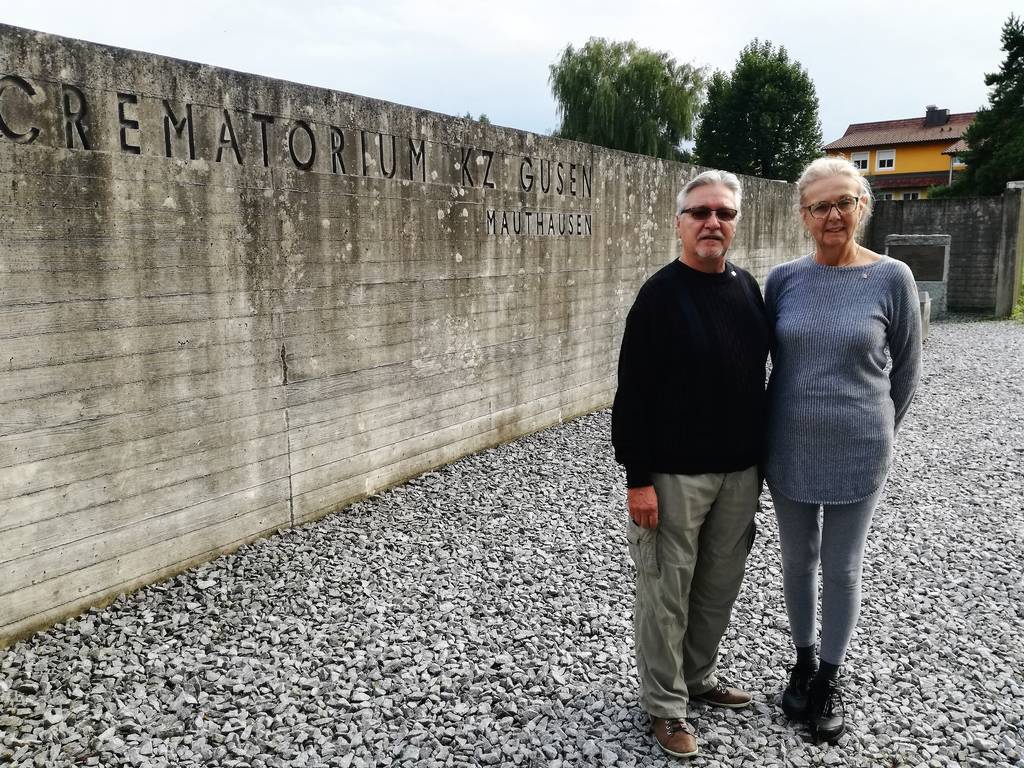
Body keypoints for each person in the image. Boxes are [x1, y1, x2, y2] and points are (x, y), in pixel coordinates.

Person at [611, 170, 771, 759]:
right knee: (665, 593)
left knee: (716, 589)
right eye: (700, 212)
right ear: (679, 223)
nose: (712, 222)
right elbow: (633, 394)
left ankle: (698, 678)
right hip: (675, 476)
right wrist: (639, 480)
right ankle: (666, 706)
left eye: (723, 214)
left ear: (735, 223)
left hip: (739, 474)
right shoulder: (659, 296)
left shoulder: (747, 289)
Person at [764, 157, 922, 743]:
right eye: (820, 205)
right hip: (790, 445)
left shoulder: (892, 278)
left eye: (844, 202)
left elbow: (906, 369)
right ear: (804, 215)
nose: (834, 215)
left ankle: (831, 676)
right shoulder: (783, 280)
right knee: (797, 561)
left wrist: (880, 428)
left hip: (860, 449)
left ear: (863, 206)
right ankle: (802, 663)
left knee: (843, 566)